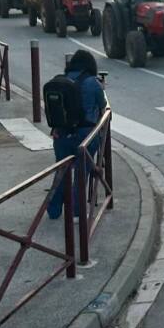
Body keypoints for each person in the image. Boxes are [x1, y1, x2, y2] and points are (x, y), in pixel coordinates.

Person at [47, 49, 107, 219]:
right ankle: (77, 213)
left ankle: (53, 210)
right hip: (86, 138)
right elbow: (102, 107)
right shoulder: (93, 83)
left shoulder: (61, 80)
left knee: (61, 173)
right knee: (81, 174)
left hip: (62, 136)